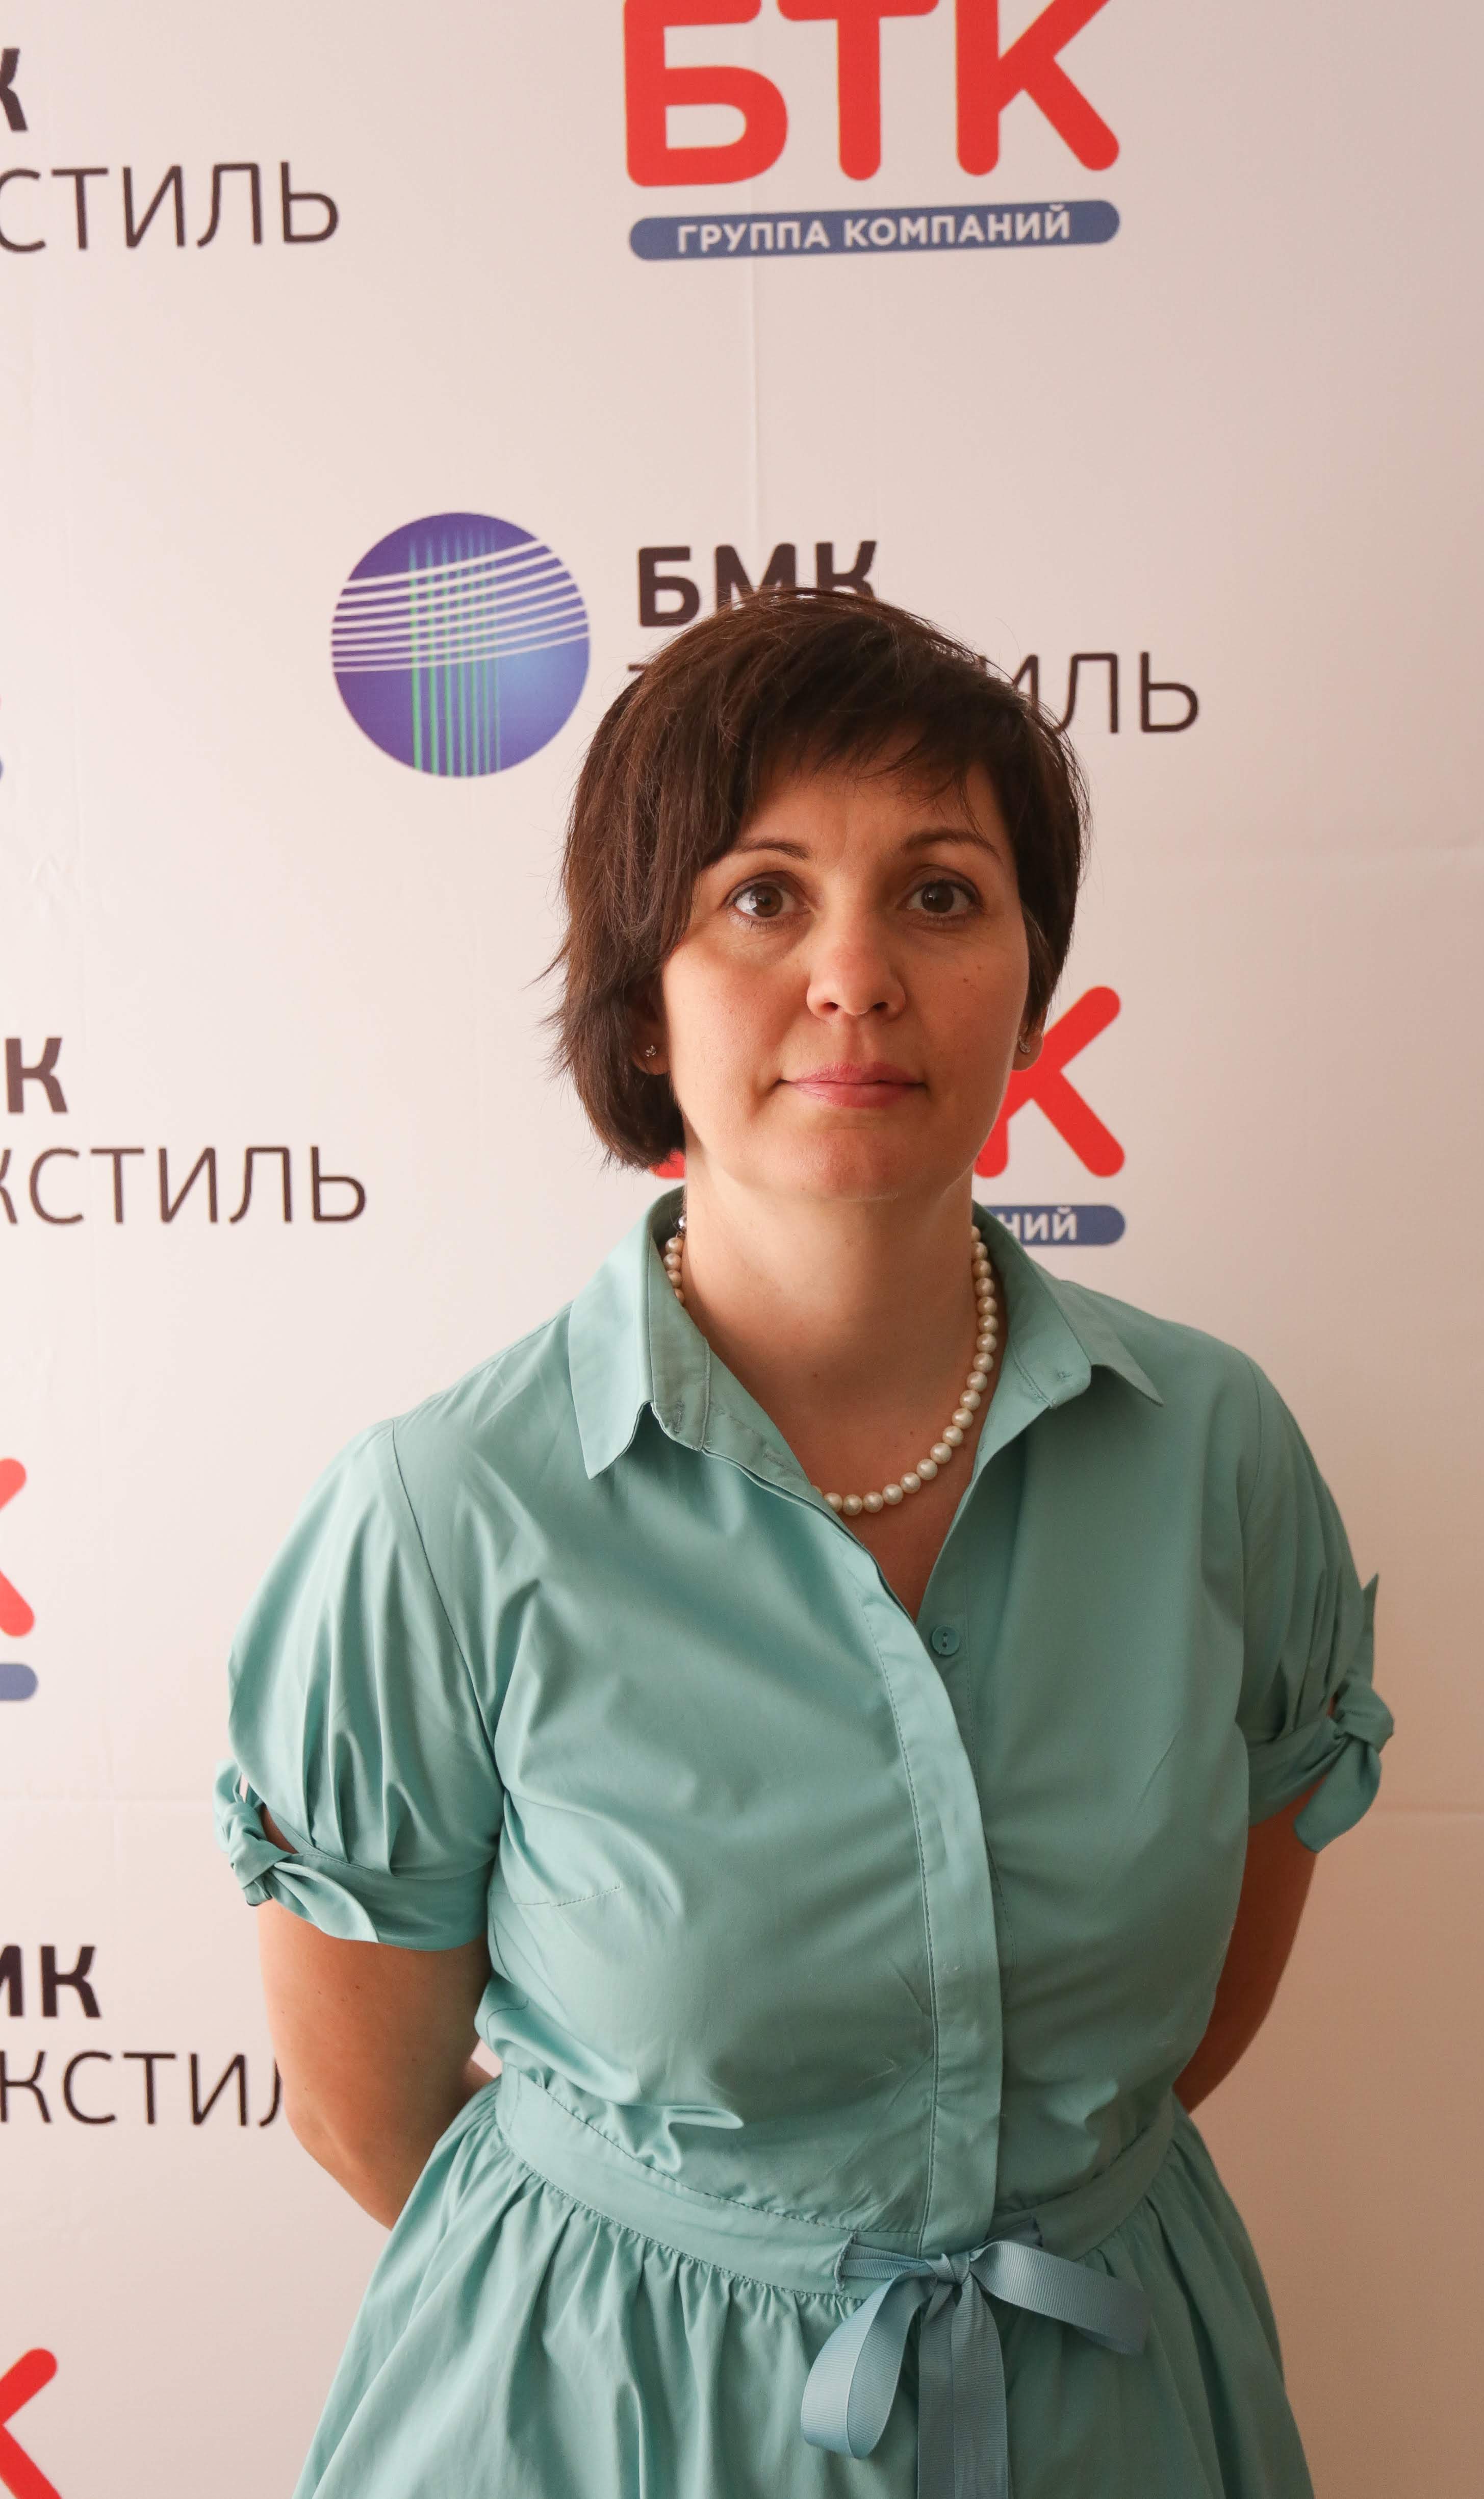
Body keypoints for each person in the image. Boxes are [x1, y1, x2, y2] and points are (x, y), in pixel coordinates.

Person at [215, 589, 1391, 2499]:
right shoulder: (443, 1514)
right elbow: (368, 2113)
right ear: (643, 993)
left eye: (939, 894)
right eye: (761, 896)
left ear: (1029, 977)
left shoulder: (1216, 1454)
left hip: (1109, 2404)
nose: (856, 973)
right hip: (606, 2425)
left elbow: (1189, 2017)